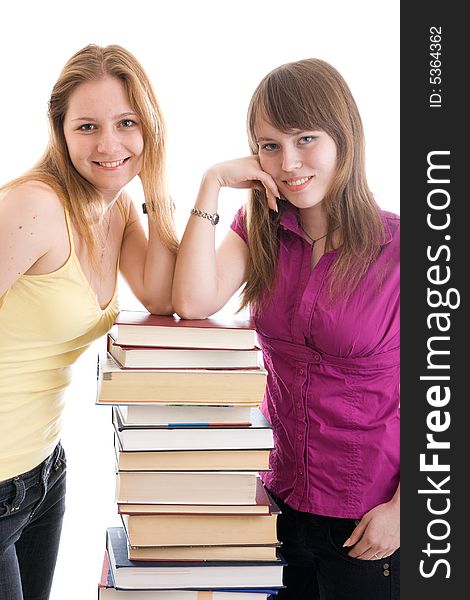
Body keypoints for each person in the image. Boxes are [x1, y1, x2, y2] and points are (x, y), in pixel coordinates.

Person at [172, 58, 400, 599]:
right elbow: (192, 299)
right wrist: (211, 184)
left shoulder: (407, 249)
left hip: (370, 520)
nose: (288, 162)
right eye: (269, 145)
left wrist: (408, 509)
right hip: (281, 506)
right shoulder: (259, 231)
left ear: (344, 137)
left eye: (305, 139)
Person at [0, 44, 178, 599]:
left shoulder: (114, 208)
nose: (108, 144)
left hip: (42, 470)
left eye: (127, 123)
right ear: (61, 131)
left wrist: (157, 190)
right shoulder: (36, 206)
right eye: (87, 126)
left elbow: (164, 295)